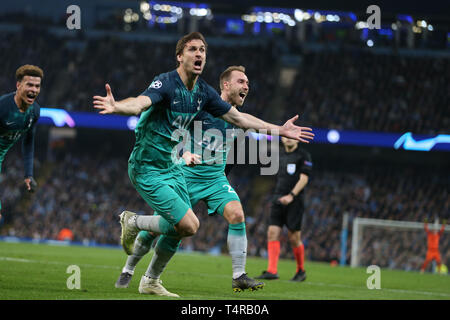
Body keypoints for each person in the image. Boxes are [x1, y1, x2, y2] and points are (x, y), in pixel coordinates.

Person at [93, 32, 314, 296]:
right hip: (176, 169)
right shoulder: (175, 89)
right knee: (176, 226)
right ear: (180, 56)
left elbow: (242, 121)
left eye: (203, 50)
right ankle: (131, 257)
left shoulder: (207, 97)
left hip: (210, 177)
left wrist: (279, 129)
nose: (199, 54)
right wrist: (118, 107)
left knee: (222, 218)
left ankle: (231, 275)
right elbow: (144, 105)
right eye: (193, 49)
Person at [115, 66, 267, 294]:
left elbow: (230, 149)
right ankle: (128, 267)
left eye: (248, 83)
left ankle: (239, 276)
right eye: (241, 81)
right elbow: (175, 133)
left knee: (237, 214)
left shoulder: (237, 119)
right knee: (162, 229)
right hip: (186, 175)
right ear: (226, 85)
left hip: (215, 179)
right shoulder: (203, 108)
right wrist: (184, 154)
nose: (247, 86)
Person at [256, 137, 312, 282]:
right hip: (278, 198)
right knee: (272, 233)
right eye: (286, 136)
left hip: (295, 200)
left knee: (294, 238)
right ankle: (272, 271)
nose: (288, 139)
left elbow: (304, 179)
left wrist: (291, 195)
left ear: (297, 140)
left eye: (292, 137)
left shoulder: (303, 155)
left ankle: (301, 271)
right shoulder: (279, 154)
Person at [0, 65, 42, 220]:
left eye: (37, 86)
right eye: (29, 85)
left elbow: (28, 142)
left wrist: (28, 174)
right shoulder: (3, 108)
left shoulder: (35, 111)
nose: (34, 89)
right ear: (18, 85)